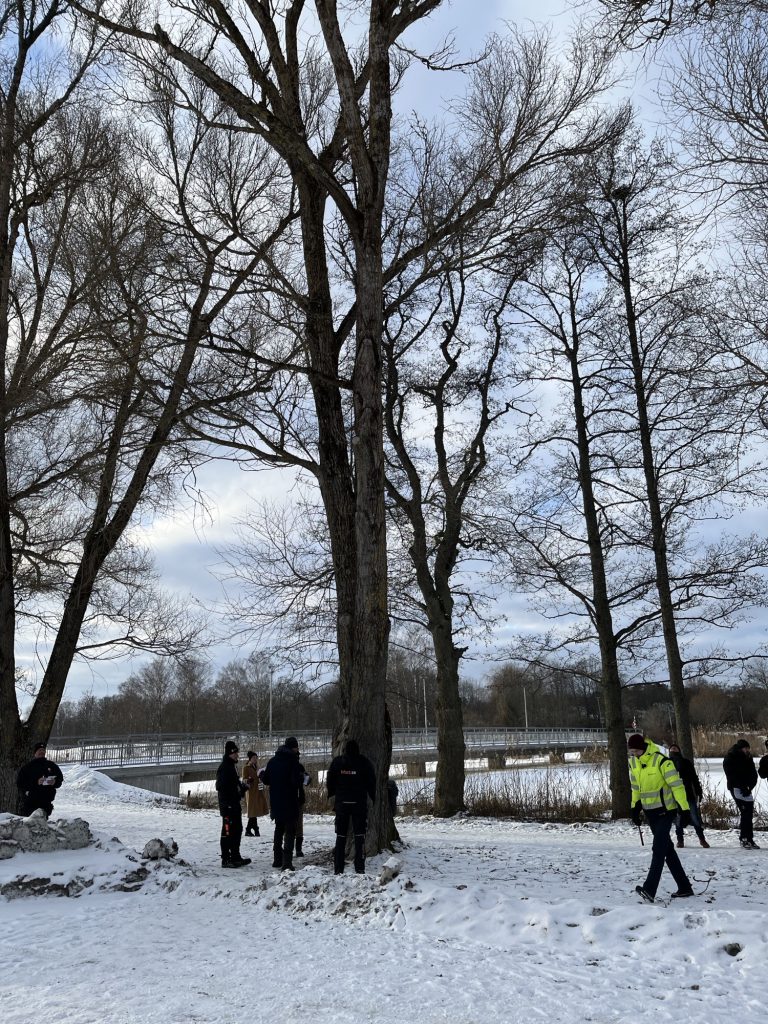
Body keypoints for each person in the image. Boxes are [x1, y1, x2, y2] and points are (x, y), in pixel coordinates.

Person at [627, 733, 694, 903]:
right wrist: (635, 807)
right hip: (650, 813)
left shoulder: (662, 761)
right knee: (667, 850)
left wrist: (684, 809)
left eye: (636, 751)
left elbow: (677, 786)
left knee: (658, 849)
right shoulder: (633, 763)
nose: (634, 754)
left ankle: (649, 889)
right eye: (631, 752)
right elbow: (635, 788)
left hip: (666, 812)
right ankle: (685, 887)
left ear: (643, 748)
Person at [326, 739, 376, 875]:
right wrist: (373, 796)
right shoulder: (364, 762)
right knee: (360, 836)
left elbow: (330, 779)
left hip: (342, 803)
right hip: (359, 803)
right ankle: (359, 867)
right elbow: (371, 780)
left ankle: (338, 868)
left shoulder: (338, 762)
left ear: (345, 750)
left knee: (341, 836)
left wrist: (332, 793)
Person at [262, 736, 304, 871]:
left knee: (278, 830)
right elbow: (296, 782)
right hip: (290, 802)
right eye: (297, 747)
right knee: (290, 832)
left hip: (276, 801)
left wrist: (262, 775)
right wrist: (302, 778)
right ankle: (287, 862)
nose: (298, 749)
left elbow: (266, 780)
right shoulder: (293, 762)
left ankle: (277, 859)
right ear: (293, 748)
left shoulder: (272, 761)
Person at [215, 740, 252, 868]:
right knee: (227, 832)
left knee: (237, 830)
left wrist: (243, 788)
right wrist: (229, 800)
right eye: (235, 753)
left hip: (234, 805)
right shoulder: (224, 767)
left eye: (237, 752)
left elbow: (234, 786)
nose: (237, 755)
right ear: (229, 753)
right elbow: (220, 787)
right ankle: (226, 859)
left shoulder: (232, 767)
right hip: (228, 807)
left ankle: (236, 856)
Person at [667, 743, 709, 849]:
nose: (673, 749)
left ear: (679, 750)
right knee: (678, 818)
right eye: (671, 748)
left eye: (675, 748)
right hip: (674, 795)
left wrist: (699, 791)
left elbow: (694, 778)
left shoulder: (686, 762)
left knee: (695, 817)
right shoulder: (667, 763)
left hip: (688, 794)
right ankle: (680, 840)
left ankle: (702, 839)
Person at [723, 738, 759, 849]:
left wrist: (750, 787)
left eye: (748, 748)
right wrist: (742, 787)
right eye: (746, 748)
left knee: (749, 813)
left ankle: (749, 838)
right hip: (736, 788)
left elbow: (753, 774)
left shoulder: (748, 757)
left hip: (747, 789)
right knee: (745, 812)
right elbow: (731, 776)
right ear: (740, 748)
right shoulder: (730, 757)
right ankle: (744, 838)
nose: (748, 750)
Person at [16, 741, 63, 818]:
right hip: (31, 803)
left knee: (42, 824)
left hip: (46, 803)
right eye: (39, 750)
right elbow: (20, 783)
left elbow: (60, 780)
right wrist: (36, 782)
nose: (42, 752)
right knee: (31, 824)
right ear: (35, 753)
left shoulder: (52, 765)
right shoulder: (27, 767)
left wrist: (54, 782)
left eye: (43, 750)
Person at [242, 751, 269, 837]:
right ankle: (252, 829)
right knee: (253, 811)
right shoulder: (246, 768)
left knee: (254, 812)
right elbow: (243, 780)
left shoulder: (257, 767)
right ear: (250, 759)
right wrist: (248, 780)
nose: (255, 759)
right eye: (254, 758)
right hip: (251, 792)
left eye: (256, 758)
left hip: (258, 791)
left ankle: (253, 829)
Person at [294, 757, 311, 858]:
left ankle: (298, 849)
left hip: (298, 799)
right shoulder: (288, 766)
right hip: (292, 799)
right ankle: (296, 849)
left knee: (298, 825)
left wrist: (306, 777)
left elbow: (306, 781)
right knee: (293, 825)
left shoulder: (300, 766)